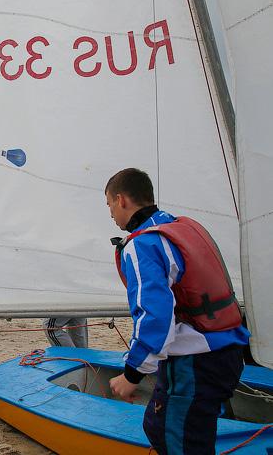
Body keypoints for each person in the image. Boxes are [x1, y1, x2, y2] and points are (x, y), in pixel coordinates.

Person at [104, 168, 249, 454]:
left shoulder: (142, 244)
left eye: (109, 204)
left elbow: (155, 317)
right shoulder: (182, 226)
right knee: (166, 426)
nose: (110, 213)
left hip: (198, 361)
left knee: (174, 438)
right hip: (230, 351)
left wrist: (131, 376)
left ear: (121, 200)